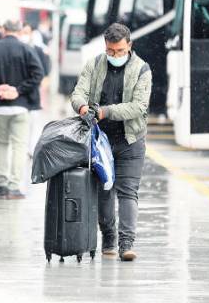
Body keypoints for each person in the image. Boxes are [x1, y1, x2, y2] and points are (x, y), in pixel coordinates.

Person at [71, 23, 152, 262]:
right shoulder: (94, 64)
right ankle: (108, 237)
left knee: (128, 192)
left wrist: (105, 111)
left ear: (129, 46)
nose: (114, 55)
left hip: (130, 140)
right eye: (110, 51)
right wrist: (82, 106)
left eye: (118, 51)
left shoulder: (142, 70)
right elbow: (78, 93)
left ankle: (126, 243)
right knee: (104, 191)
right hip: (100, 141)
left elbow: (138, 107)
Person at [0, 19, 43, 199]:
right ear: (20, 30)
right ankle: (14, 186)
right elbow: (38, 74)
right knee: (19, 146)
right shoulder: (27, 49)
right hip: (21, 107)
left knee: (1, 145)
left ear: (3, 30)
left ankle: (2, 185)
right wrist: (18, 90)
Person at [20, 23, 51, 155]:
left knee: (33, 121)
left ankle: (31, 148)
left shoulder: (38, 50)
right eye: (22, 32)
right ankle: (21, 147)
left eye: (27, 32)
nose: (24, 35)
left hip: (34, 91)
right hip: (19, 91)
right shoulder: (18, 49)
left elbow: (44, 71)